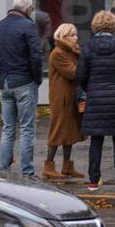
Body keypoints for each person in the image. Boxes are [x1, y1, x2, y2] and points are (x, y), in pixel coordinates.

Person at [76, 11, 115, 192]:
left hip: (95, 99)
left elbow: (80, 76)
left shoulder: (87, 47)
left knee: (96, 139)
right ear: (113, 26)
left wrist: (91, 89)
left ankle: (93, 180)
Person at [0, 0, 42, 177]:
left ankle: (4, 171)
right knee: (27, 128)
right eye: (32, 9)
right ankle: (27, 172)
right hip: (25, 82)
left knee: (8, 128)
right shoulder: (29, 27)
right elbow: (35, 56)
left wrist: (0, 75)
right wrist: (37, 79)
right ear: (27, 9)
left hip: (5, 83)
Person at [46, 23, 85, 179]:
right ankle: (48, 166)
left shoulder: (71, 51)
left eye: (76, 34)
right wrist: (85, 63)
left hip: (70, 97)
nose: (76, 37)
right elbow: (72, 72)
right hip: (61, 99)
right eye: (72, 35)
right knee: (58, 131)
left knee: (69, 132)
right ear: (63, 36)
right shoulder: (58, 53)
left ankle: (67, 166)